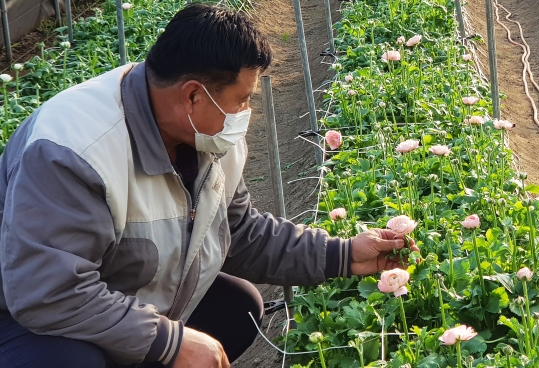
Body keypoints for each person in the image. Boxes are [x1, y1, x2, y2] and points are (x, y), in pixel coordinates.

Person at [0, 4, 418, 368]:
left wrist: (343, 254)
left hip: (119, 294)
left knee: (238, 308)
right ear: (194, 96)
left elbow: (238, 232)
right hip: (24, 319)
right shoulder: (73, 151)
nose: (245, 112)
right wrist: (169, 341)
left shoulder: (205, 138)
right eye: (242, 99)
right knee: (68, 361)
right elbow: (50, 292)